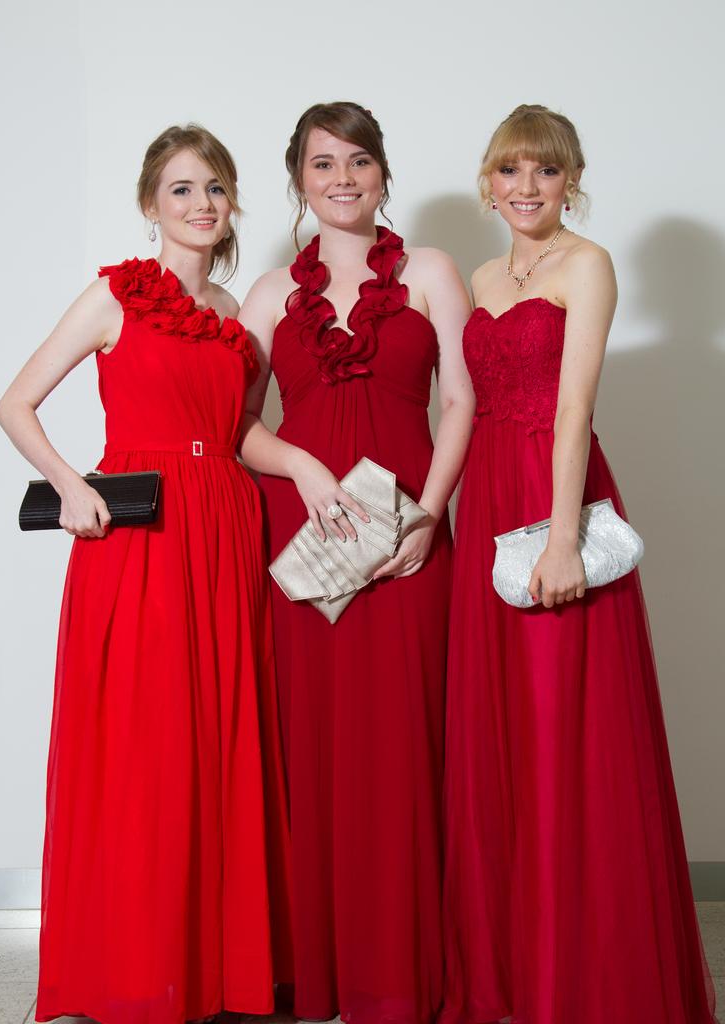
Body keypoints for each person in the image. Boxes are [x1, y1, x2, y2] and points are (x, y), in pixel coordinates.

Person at [0, 124, 292, 1024]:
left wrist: (308, 468)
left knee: (218, 744)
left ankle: (215, 971)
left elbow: (240, 433)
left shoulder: (241, 316)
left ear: (231, 204)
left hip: (225, 528)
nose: (202, 204)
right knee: (143, 749)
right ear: (151, 204)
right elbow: (15, 402)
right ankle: (132, 968)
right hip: (142, 536)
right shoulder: (113, 295)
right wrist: (69, 481)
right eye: (182, 190)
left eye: (215, 189)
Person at [442, 103, 718, 1024]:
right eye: (511, 171)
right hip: (485, 492)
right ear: (488, 181)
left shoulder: (587, 265)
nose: (527, 189)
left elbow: (574, 407)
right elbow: (461, 402)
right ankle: (510, 972)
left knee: (567, 731)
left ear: (571, 182)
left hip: (552, 492)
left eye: (546, 172)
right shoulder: (482, 273)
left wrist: (563, 537)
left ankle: (584, 978)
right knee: (501, 734)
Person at [237, 101, 474, 1024]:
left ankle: (400, 972)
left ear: (383, 173)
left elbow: (459, 400)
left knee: (404, 750)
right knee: (313, 748)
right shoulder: (264, 295)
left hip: (408, 533)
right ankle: (318, 970)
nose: (343, 177)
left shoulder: (431, 271)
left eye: (360, 160)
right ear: (298, 180)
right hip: (305, 544)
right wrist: (298, 462)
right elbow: (237, 423)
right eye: (323, 163)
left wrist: (430, 515)